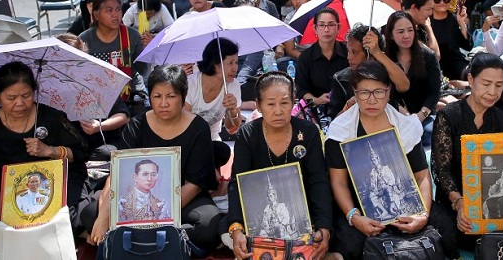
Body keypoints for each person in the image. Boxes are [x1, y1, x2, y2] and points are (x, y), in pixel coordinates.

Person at [82, 65, 221, 250]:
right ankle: (155, 236)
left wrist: (157, 217)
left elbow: (195, 185)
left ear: (183, 96)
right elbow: (117, 173)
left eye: (171, 96)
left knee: (208, 226)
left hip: (181, 198)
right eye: (157, 96)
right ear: (150, 96)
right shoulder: (137, 125)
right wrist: (104, 216)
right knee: (90, 214)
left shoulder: (198, 128)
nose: (164, 103)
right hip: (134, 197)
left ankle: (144, 235)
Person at [0, 61, 90, 244]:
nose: (20, 103)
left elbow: (83, 152)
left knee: (57, 225)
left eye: (26, 95)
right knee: (0, 235)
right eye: (11, 98)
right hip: (17, 190)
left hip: (57, 184)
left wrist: (49, 150)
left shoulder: (51, 117)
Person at [325, 60, 432, 259]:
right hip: (357, 205)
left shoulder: (405, 127)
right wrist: (354, 217)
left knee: (440, 228)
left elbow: (422, 176)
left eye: (379, 92)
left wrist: (422, 215)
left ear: (389, 92)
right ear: (355, 94)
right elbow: (338, 182)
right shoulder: (341, 130)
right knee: (350, 243)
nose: (371, 100)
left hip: (404, 201)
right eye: (364, 93)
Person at [228, 71, 332, 260]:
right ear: (258, 105)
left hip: (302, 213)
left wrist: (324, 226)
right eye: (270, 104)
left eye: (284, 103)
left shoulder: (308, 132)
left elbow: (319, 181)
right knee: (230, 236)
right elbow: (237, 184)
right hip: (258, 215)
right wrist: (236, 229)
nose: (278, 111)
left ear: (293, 102)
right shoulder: (248, 134)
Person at [430, 53, 503, 258]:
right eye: (486, 84)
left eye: (498, 85)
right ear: (471, 80)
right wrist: (459, 202)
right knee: (449, 235)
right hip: (455, 200)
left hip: (492, 200)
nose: (492, 92)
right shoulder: (449, 116)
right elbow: (441, 170)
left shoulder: (502, 120)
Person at [56, 33, 131, 161]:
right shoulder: (49, 86)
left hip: (100, 141)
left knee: (105, 153)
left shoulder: (99, 81)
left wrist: (99, 126)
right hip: (67, 145)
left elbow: (123, 116)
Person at [384, 11, 442, 146]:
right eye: (400, 32)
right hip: (395, 114)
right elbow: (386, 92)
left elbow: (435, 92)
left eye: (410, 30)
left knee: (428, 134)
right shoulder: (385, 58)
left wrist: (419, 116)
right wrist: (406, 116)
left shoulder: (428, 56)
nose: (406, 35)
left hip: (424, 114)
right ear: (391, 35)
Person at [185, 37, 241, 175]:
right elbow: (183, 125)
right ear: (215, 64)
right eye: (230, 63)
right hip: (189, 142)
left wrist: (232, 110)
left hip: (212, 143)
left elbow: (232, 129)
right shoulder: (190, 84)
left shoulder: (233, 86)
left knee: (223, 151)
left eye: (236, 62)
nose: (235, 68)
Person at [328, 24, 409, 119]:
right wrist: (348, 107)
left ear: (370, 54)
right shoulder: (340, 79)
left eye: (355, 52)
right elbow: (334, 121)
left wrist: (377, 52)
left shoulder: (389, 71)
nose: (349, 57)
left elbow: (404, 85)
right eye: (348, 51)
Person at [79, 0, 147, 111]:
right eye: (109, 10)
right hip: (97, 97)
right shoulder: (85, 40)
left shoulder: (132, 36)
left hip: (131, 95)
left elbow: (143, 72)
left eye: (118, 9)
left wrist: (145, 51)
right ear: (96, 14)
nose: (115, 14)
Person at [295, 8, 350, 129]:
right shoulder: (306, 57)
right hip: (316, 112)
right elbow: (301, 89)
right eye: (322, 25)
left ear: (338, 27)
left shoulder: (348, 53)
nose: (326, 29)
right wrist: (315, 100)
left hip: (347, 109)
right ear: (315, 28)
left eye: (331, 25)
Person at [431, 0, 472, 80]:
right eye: (437, 0)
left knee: (470, 74)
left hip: (455, 62)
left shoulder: (454, 19)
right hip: (433, 64)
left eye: (446, 0)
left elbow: (467, 47)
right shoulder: (425, 21)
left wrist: (461, 23)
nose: (442, 3)